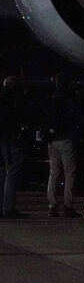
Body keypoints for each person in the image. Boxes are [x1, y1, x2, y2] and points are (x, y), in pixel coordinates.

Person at [45, 73, 82, 217]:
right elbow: (75, 117)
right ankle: (68, 204)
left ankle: (52, 205)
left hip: (53, 140)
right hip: (66, 139)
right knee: (69, 173)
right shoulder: (70, 100)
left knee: (54, 173)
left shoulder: (52, 99)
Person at [0, 77, 29, 218]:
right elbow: (9, 122)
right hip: (8, 142)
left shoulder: (5, 99)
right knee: (11, 174)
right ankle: (9, 207)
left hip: (4, 142)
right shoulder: (9, 102)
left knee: (3, 174)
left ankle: (4, 207)